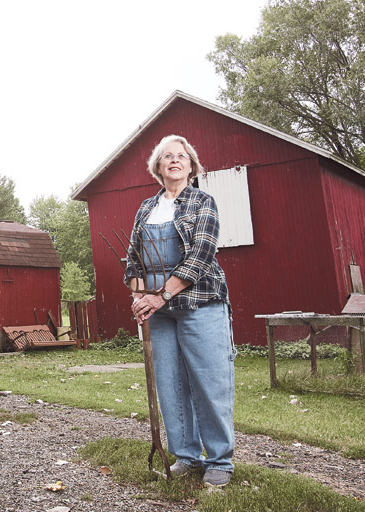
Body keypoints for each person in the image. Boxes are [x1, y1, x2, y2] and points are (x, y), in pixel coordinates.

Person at [124, 134, 235, 487]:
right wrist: (138, 296)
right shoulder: (146, 207)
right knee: (170, 384)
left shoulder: (203, 202)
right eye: (167, 156)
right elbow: (133, 261)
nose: (175, 160)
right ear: (158, 166)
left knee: (209, 381)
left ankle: (220, 460)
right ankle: (187, 455)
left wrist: (161, 296)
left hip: (198, 302)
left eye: (182, 156)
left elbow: (201, 255)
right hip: (158, 311)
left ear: (191, 165)